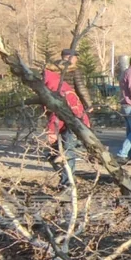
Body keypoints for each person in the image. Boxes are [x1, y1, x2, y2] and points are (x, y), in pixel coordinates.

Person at [43, 55, 91, 191]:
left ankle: (68, 185)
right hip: (66, 121)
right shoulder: (54, 82)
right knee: (52, 154)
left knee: (68, 153)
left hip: (73, 121)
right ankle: (67, 179)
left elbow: (57, 111)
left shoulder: (54, 85)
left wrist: (52, 130)